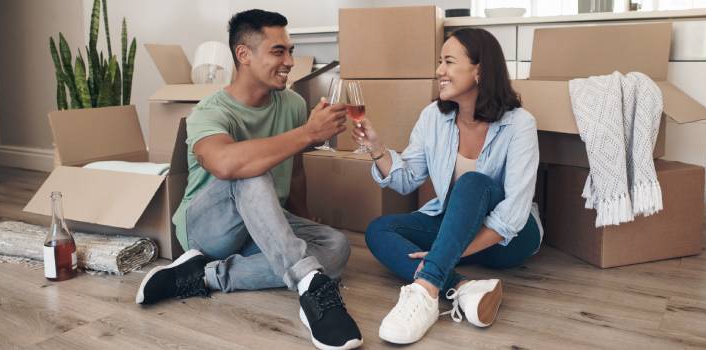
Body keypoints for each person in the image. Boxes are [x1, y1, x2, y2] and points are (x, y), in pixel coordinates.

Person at [135, 9, 362, 350]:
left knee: (335, 246)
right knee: (250, 171)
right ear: (244, 54)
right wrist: (306, 133)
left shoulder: (293, 104)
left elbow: (296, 172)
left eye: (290, 49)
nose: (289, 60)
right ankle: (312, 288)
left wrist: (300, 217)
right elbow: (226, 164)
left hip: (264, 220)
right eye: (278, 51)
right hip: (210, 231)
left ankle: (201, 276)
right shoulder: (210, 111)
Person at [353, 28, 544, 345]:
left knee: (473, 183)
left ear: (479, 69)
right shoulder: (432, 117)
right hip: (455, 230)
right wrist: (377, 148)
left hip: (509, 239)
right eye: (439, 62)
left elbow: (513, 214)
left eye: (449, 62)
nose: (439, 71)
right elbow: (406, 179)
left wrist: (447, 253)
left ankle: (426, 291)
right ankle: (465, 290)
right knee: (379, 230)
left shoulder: (520, 123)